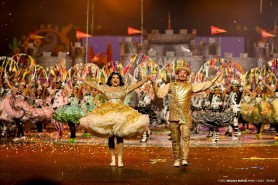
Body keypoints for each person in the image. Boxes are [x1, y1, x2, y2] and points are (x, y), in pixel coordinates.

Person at [150, 67, 222, 167]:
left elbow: (205, 85)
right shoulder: (170, 85)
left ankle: (184, 159)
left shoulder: (190, 86)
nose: (183, 74)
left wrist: (216, 76)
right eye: (181, 73)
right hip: (174, 116)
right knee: (175, 139)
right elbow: (159, 94)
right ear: (177, 75)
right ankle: (176, 159)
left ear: (187, 76)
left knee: (185, 136)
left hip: (185, 116)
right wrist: (154, 84)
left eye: (185, 73)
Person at [77, 72, 150, 167]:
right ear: (110, 80)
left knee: (119, 136)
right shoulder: (105, 88)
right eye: (113, 78)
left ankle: (119, 159)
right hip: (108, 113)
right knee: (110, 136)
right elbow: (93, 85)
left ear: (120, 80)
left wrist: (146, 79)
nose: (115, 79)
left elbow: (137, 85)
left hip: (121, 113)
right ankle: (112, 158)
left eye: (117, 78)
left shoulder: (124, 88)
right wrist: (83, 80)